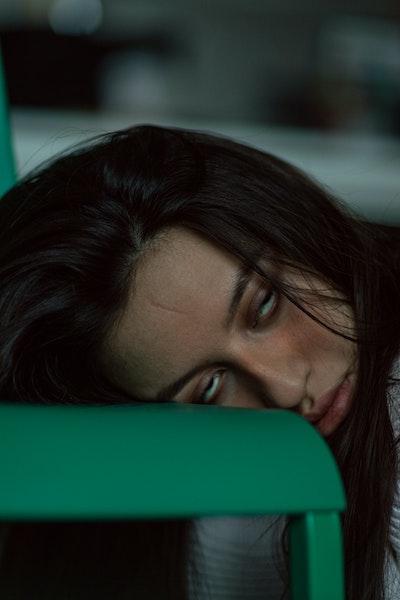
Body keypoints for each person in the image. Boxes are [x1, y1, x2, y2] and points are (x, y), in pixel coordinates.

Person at [0, 124, 399, 599]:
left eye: (264, 305)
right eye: (209, 388)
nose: (286, 388)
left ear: (293, 222)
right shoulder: (158, 524)